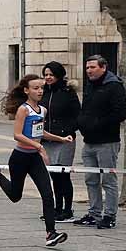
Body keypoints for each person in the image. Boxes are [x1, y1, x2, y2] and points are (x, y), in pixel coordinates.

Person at [0, 75, 68, 247]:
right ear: (27, 91)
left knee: (47, 194)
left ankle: (51, 233)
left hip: (34, 158)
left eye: (41, 88)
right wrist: (39, 147)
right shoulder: (24, 109)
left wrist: (61, 139)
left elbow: (40, 132)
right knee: (15, 196)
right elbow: (18, 135)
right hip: (20, 157)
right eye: (35, 88)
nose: (40, 91)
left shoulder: (42, 110)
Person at [74, 54, 126, 230]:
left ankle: (109, 215)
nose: (89, 70)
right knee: (91, 179)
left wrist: (97, 124)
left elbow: (120, 114)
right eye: (87, 67)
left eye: (92, 67)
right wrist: (82, 123)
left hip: (107, 141)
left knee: (108, 180)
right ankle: (94, 213)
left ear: (103, 67)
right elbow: (86, 109)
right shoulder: (90, 85)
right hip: (89, 141)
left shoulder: (114, 86)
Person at [41, 61, 81, 222]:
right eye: (46, 75)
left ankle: (67, 209)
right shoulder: (43, 92)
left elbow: (77, 115)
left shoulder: (68, 92)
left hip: (64, 139)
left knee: (63, 175)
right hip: (47, 139)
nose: (48, 77)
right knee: (53, 175)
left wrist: (68, 130)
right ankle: (56, 208)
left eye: (51, 75)